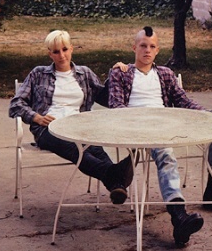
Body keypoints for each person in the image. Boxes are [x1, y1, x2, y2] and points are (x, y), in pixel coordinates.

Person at [107, 26, 212, 248]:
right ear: (134, 47)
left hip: (168, 123)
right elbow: (116, 107)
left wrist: (204, 116)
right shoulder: (121, 72)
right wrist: (142, 121)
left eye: (152, 47)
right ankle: (178, 215)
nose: (147, 50)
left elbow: (184, 102)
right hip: (139, 127)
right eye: (143, 46)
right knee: (166, 155)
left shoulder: (165, 74)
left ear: (157, 50)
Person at [9, 30, 133, 204]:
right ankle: (114, 174)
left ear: (72, 49)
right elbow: (16, 104)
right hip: (48, 129)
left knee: (96, 150)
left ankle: (116, 186)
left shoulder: (85, 74)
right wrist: (36, 117)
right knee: (76, 150)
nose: (61, 55)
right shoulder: (38, 74)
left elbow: (107, 98)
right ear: (49, 53)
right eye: (56, 51)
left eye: (65, 49)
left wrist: (114, 74)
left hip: (80, 128)